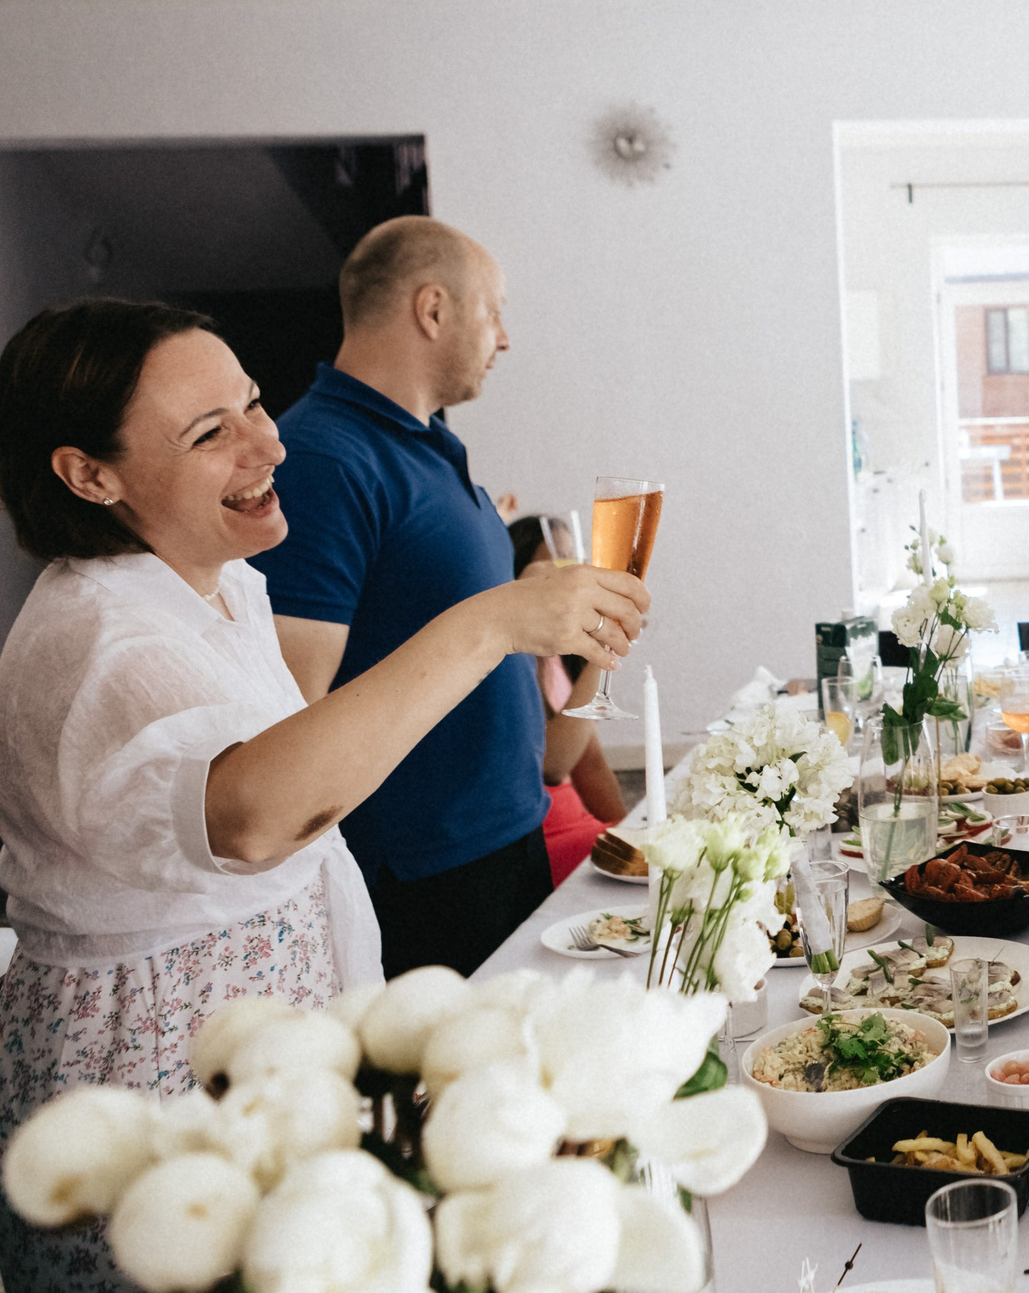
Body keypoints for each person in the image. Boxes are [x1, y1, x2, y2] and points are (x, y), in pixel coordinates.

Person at [0, 300, 641, 1292]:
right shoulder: (100, 641)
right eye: (210, 433)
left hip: (281, 1055)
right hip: (165, 1085)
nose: (268, 443)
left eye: (254, 404)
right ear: (90, 473)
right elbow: (255, 814)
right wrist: (487, 626)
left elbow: (302, 751)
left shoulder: (223, 580)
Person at [252, 216, 569, 976]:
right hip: (429, 876)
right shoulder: (325, 458)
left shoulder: (421, 443)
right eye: (492, 310)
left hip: (502, 838)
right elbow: (291, 703)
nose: (503, 337)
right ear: (432, 309)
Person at [508, 515, 630, 886]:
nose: (574, 568)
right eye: (557, 558)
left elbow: (589, 765)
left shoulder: (555, 661)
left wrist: (629, 831)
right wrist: (604, 653)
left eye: (574, 555)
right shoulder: (515, 656)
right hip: (547, 837)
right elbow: (554, 764)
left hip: (578, 826)